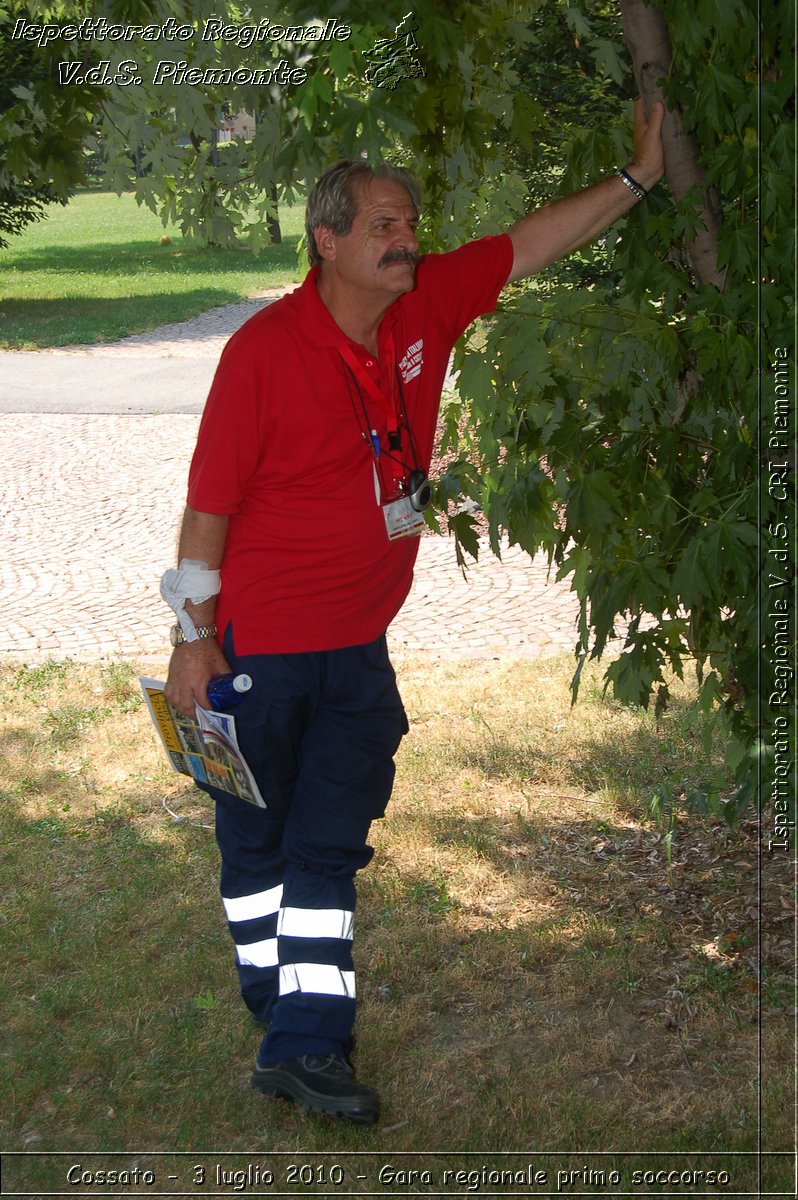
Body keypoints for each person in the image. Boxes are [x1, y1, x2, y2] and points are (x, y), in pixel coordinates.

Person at [162, 100, 665, 1125]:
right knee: (256, 850)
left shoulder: (423, 308)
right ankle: (282, 1011)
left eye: (410, 222)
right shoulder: (262, 350)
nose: (407, 239)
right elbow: (207, 509)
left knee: (327, 844)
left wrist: (638, 178)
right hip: (261, 650)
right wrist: (191, 643)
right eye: (384, 225)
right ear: (329, 241)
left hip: (358, 650)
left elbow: (526, 244)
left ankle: (303, 1040)